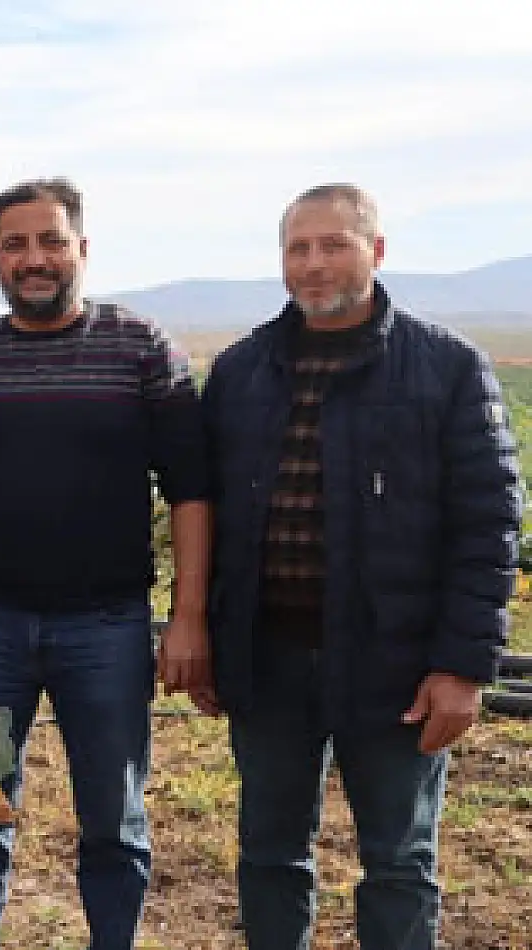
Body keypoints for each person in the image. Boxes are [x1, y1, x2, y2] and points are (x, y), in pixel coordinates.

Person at [0, 178, 213, 950]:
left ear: (82, 249)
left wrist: (189, 617)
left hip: (109, 625)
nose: (34, 259)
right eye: (15, 245)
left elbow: (194, 490)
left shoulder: (140, 347)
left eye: (50, 242)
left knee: (113, 816)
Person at [201, 184, 523, 950]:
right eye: (298, 248)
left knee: (399, 860)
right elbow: (209, 518)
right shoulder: (242, 373)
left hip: (398, 667)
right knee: (269, 852)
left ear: (376, 251)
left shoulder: (446, 370)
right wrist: (209, 635)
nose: (314, 264)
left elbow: (488, 525)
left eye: (334, 244)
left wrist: (462, 666)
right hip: (268, 661)